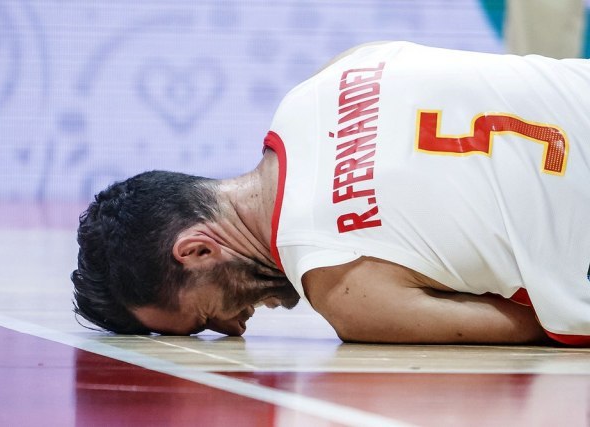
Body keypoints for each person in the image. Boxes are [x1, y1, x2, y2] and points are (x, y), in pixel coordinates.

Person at [72, 41, 590, 345]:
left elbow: (530, 325)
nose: (234, 329)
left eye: (206, 317)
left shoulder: (345, 293)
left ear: (198, 250)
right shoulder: (330, 76)